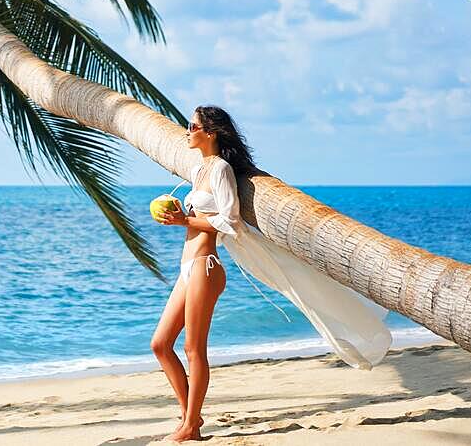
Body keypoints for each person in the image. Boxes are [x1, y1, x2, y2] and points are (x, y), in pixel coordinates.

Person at [150, 106, 392, 443]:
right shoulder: (199, 168)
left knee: (193, 349)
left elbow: (231, 223)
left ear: (212, 132)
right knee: (160, 344)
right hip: (188, 267)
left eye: (193, 125)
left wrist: (184, 222)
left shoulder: (220, 169)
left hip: (206, 266)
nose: (187, 130)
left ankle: (190, 426)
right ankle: (192, 416)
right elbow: (205, 213)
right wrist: (181, 213)